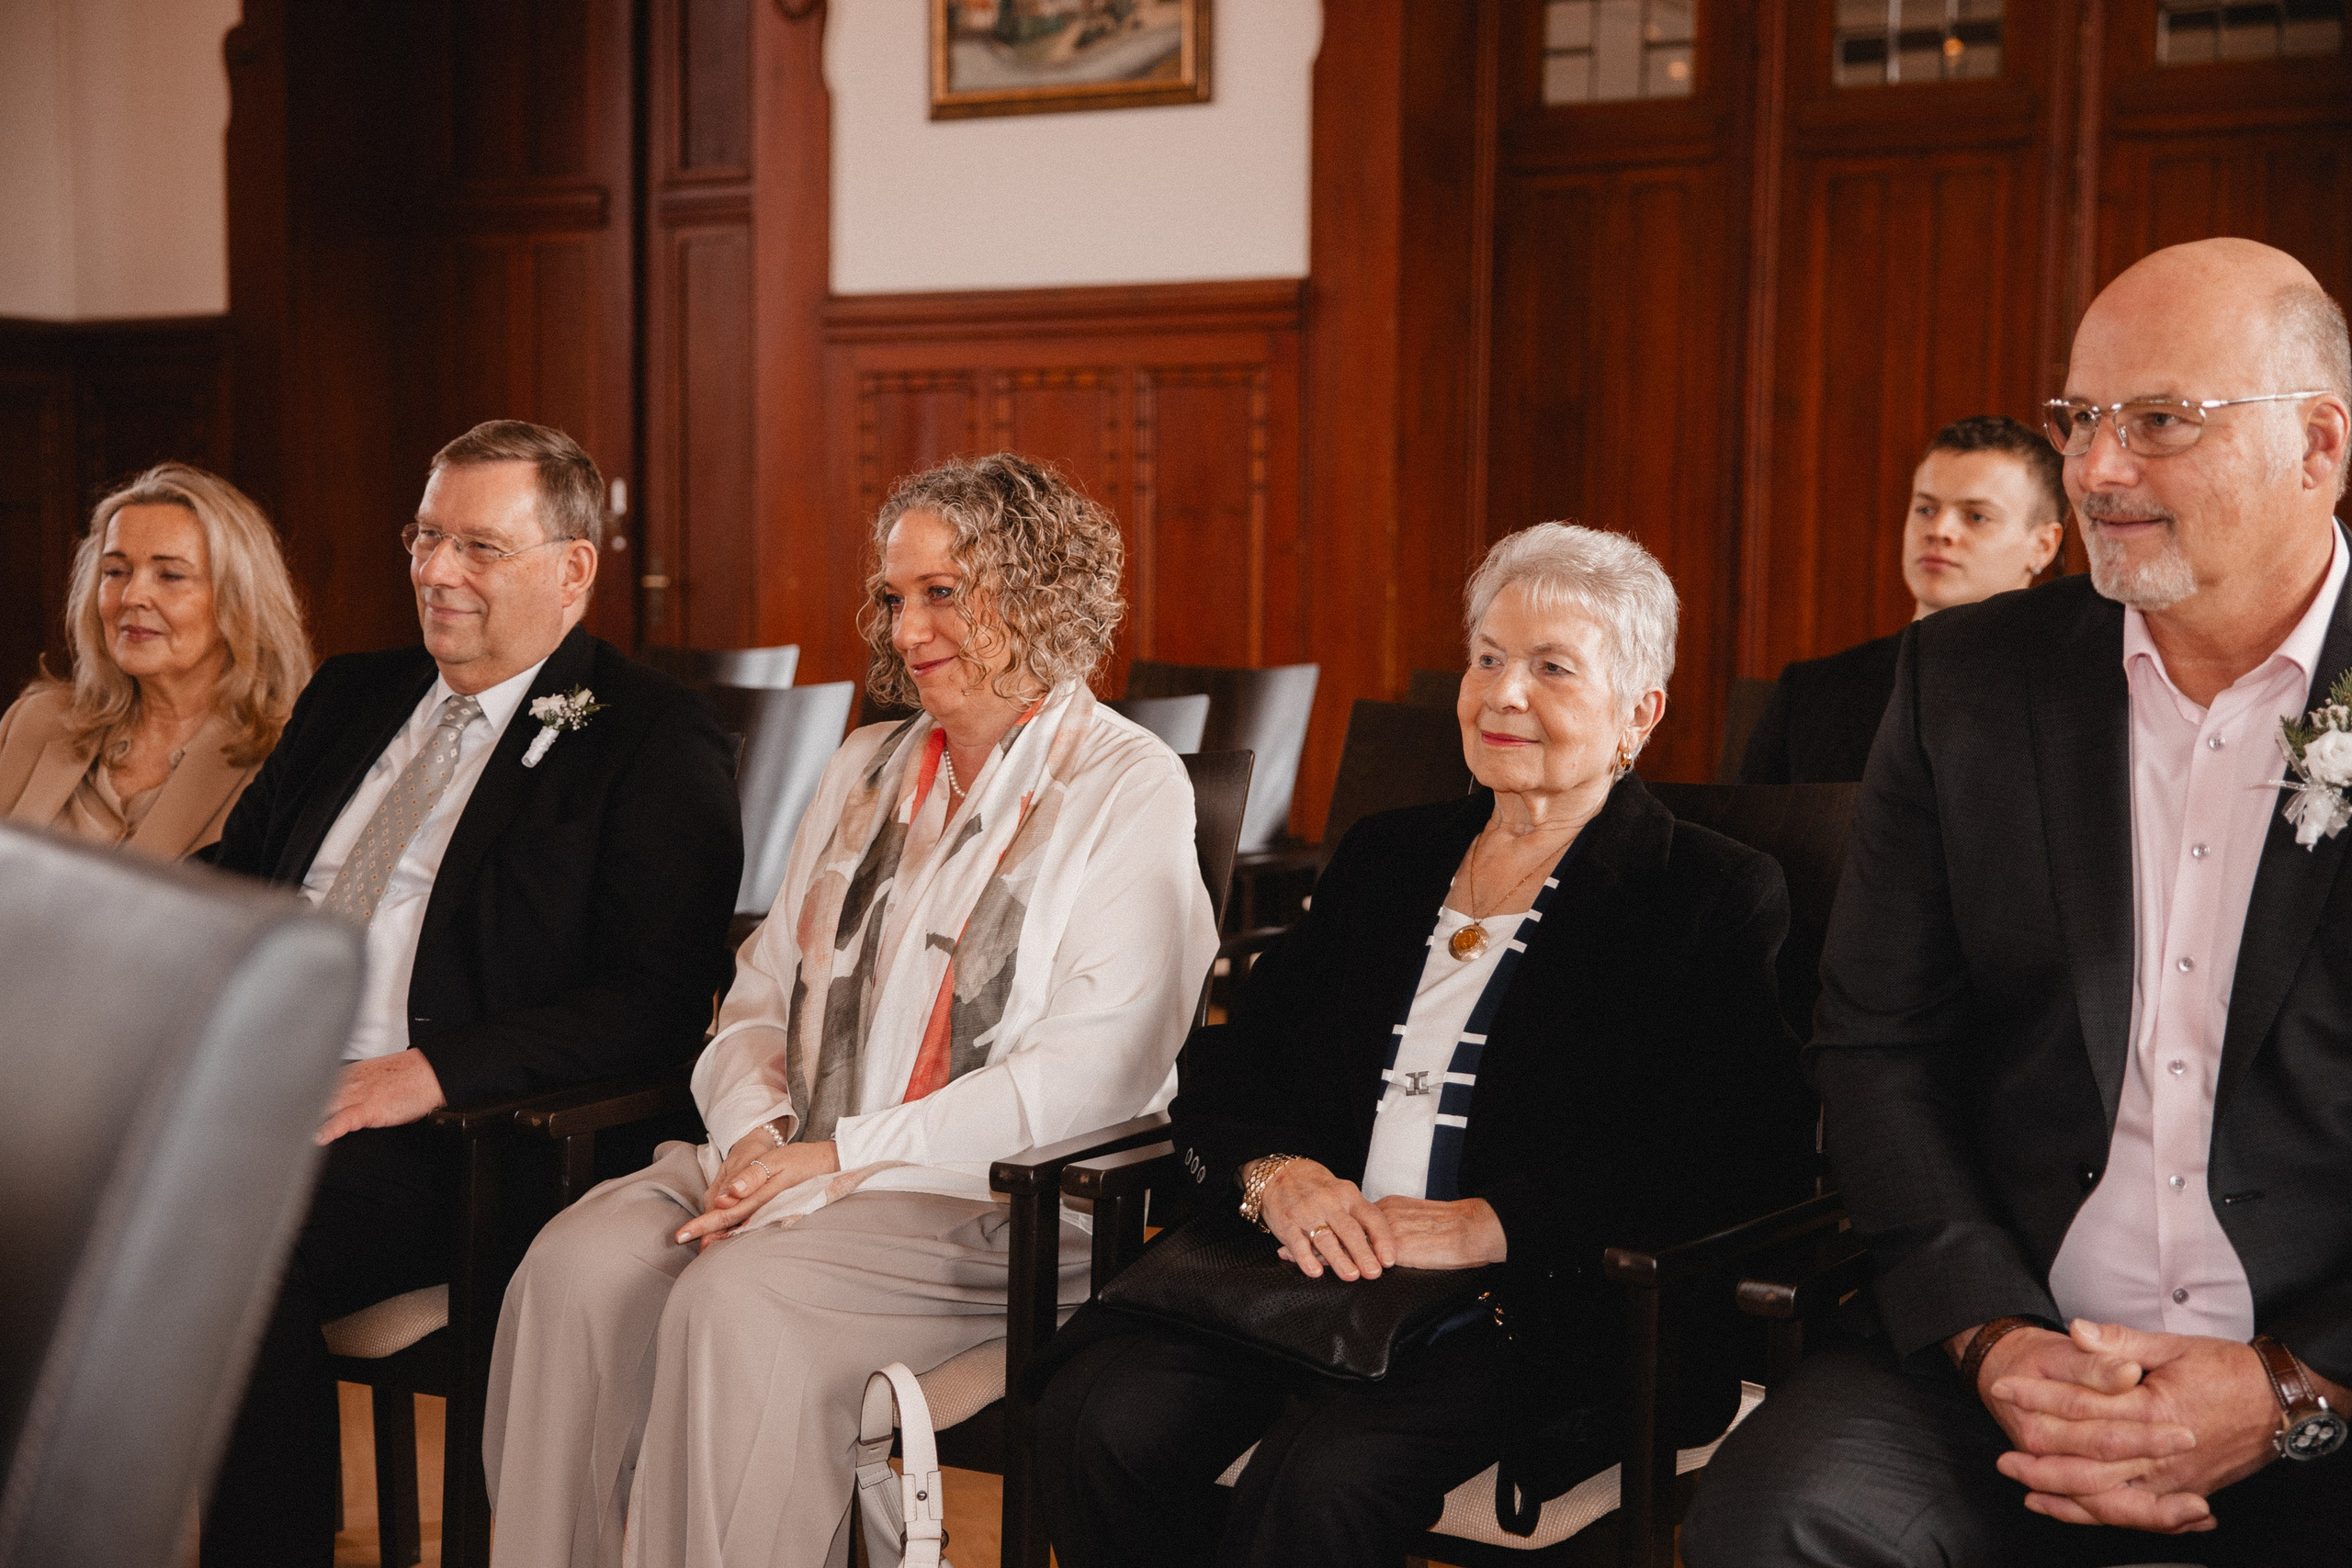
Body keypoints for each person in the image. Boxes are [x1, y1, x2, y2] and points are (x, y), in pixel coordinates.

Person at [1682, 240, 2352, 1564]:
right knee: (1776, 1517)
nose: (2098, 468)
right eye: (2080, 418)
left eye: (2159, 420)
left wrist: (2296, 1382)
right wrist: (1995, 1337)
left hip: (2326, 1370)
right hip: (2003, 1342)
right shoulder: (1967, 685)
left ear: (2318, 444)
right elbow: (1878, 1044)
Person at [481, 454, 1220, 1568]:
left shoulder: (1127, 783)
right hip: (795, 1153)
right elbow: (757, 997)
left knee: (738, 1306)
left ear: (1037, 594)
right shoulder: (868, 765)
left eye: (944, 593)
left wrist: (841, 1156)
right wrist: (758, 1137)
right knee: (572, 1274)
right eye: (894, 595)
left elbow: (1091, 1079)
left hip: (991, 1203)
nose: (910, 628)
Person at [1036, 524, 1811, 1568]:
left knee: (1324, 1478)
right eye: (1486, 657)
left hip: (1528, 1302)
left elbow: (1732, 1153)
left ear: (1639, 714)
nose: (1502, 695)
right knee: (1099, 1417)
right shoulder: (1386, 856)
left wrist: (1496, 1223)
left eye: (1551, 668)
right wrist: (1278, 1176)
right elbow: (1234, 1061)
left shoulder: (1708, 894)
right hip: (1304, 1265)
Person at [197, 420, 742, 1567]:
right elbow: (230, 885)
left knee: (216, 1233)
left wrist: (423, 1073)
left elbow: (654, 999)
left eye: (479, 547)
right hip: (251, 1080)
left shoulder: (647, 734)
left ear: (573, 568)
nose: (437, 573)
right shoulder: (352, 693)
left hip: (456, 1133)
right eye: (425, 537)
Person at [0, 462, 310, 856]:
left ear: (240, 601)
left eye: (170, 576)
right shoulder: (33, 722)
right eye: (115, 571)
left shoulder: (287, 757)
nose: (132, 596)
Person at [1739, 414, 2066, 783]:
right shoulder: (1810, 694)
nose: (1939, 530)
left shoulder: (2073, 699)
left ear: (2043, 547)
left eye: (1976, 516)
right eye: (1926, 509)